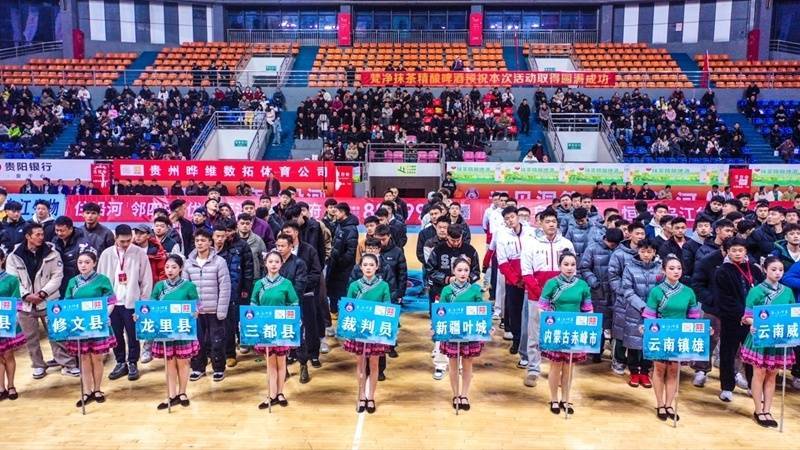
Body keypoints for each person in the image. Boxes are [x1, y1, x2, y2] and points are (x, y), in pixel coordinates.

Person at [7, 222, 76, 379]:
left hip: (49, 300)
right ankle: (38, 365)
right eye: (37, 235)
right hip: (25, 304)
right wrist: (26, 295)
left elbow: (57, 276)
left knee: (58, 333)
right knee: (30, 338)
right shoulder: (14, 256)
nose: (41, 237)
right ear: (28, 236)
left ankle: (67, 364)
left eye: (42, 234)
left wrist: (43, 293)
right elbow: (13, 280)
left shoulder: (52, 252)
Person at [642, 255, 702, 421]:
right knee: (659, 369)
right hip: (661, 335)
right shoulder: (656, 291)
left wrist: (703, 330)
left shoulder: (688, 292)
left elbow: (694, 318)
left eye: (679, 268)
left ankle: (669, 404)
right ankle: (660, 404)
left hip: (679, 336)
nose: (676, 271)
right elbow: (650, 316)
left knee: (674, 370)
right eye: (671, 268)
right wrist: (646, 328)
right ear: (664, 270)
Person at [520, 209, 575, 387]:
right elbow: (526, 272)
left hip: (562, 298)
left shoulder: (566, 244)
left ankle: (557, 370)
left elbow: (572, 270)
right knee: (535, 333)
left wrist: (563, 293)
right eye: (547, 221)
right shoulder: (530, 244)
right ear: (540, 223)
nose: (551, 224)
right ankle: (533, 369)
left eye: (553, 221)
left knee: (558, 333)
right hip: (536, 296)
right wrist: (542, 294)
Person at [740, 256, 795, 427]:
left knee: (772, 375)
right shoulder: (756, 291)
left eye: (781, 270)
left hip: (778, 338)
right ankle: (758, 410)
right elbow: (747, 316)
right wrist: (753, 323)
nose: (777, 273)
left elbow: (793, 314)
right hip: (761, 337)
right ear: (765, 270)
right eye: (773, 269)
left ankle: (767, 409)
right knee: (759, 374)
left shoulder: (787, 291)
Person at [539, 250, 593, 415]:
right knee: (555, 366)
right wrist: (550, 323)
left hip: (574, 331)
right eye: (566, 264)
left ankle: (566, 399)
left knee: (569, 367)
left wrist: (588, 326)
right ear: (560, 266)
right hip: (556, 330)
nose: (569, 268)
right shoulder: (551, 283)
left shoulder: (582, 285)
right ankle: (554, 399)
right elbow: (542, 307)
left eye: (573, 265)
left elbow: (587, 309)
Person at [98, 225, 153, 382]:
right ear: (115, 238)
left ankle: (133, 362)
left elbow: (146, 280)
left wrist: (143, 304)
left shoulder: (139, 253)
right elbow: (100, 279)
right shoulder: (106, 254)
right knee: (116, 334)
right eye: (122, 241)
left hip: (132, 302)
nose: (126, 244)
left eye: (129, 240)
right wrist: (103, 304)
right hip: (113, 303)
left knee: (133, 335)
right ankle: (120, 362)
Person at [64, 251, 117, 407]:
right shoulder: (73, 281)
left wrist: (105, 315)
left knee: (97, 358)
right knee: (84, 358)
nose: (83, 265)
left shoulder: (103, 280)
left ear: (94, 263)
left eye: (87, 262)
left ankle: (97, 389)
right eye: (80, 262)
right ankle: (87, 391)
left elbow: (111, 301)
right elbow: (67, 304)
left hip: (96, 323)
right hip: (79, 325)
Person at [148, 255, 200, 409]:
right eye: (167, 267)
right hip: (165, 329)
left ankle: (182, 392)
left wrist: (195, 312)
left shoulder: (189, 286)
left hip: (183, 329)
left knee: (183, 362)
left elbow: (197, 305)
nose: (170, 270)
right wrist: (141, 315)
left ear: (181, 268)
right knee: (169, 362)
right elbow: (151, 306)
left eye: (174, 267)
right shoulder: (159, 286)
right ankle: (171, 394)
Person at [714, 237, 763, 402]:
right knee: (728, 353)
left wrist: (753, 316)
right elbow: (724, 298)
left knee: (752, 355)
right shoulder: (722, 271)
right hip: (732, 320)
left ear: (745, 251)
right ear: (727, 252)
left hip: (753, 321)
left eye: (740, 250)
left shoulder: (754, 270)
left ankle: (752, 386)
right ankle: (727, 387)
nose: (737, 253)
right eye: (733, 250)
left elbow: (762, 293)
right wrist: (742, 314)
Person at [251, 251, 300, 409]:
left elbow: (294, 304)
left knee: (281, 362)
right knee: (270, 363)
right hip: (265, 328)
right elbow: (253, 305)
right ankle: (271, 395)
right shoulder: (259, 284)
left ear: (281, 264)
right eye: (270, 261)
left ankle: (280, 393)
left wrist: (292, 321)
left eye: (276, 262)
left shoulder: (287, 284)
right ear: (265, 263)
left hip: (281, 327)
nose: (273, 264)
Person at [344, 254, 392, 414]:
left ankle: (371, 396)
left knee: (374, 364)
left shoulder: (383, 286)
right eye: (365, 265)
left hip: (376, 331)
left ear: (377, 267)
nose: (368, 268)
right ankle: (361, 395)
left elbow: (387, 308)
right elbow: (348, 309)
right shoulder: (354, 286)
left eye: (371, 265)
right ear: (360, 267)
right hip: (359, 330)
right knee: (360, 364)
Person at [184, 229, 231, 382]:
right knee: (197, 341)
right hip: (196, 312)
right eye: (197, 240)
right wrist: (189, 310)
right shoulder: (188, 263)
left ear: (210, 242)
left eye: (203, 240)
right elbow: (185, 288)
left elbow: (225, 287)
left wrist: (221, 310)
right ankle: (198, 368)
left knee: (217, 341)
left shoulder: (219, 262)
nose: (200, 243)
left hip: (214, 310)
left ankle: (218, 368)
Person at [438, 257, 484, 411]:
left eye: (466, 270)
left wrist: (486, 325)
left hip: (469, 333)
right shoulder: (447, 290)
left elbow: (481, 311)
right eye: (459, 270)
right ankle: (455, 394)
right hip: (452, 332)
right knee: (453, 364)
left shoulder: (475, 290)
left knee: (467, 364)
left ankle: (464, 394)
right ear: (453, 271)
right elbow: (441, 312)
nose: (463, 273)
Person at [211, 220, 254, 369]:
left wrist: (245, 288)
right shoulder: (211, 248)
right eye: (223, 232)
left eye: (229, 231)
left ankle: (231, 353)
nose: (227, 235)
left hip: (233, 289)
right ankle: (213, 353)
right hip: (212, 291)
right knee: (214, 325)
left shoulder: (241, 246)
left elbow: (247, 269)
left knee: (231, 322)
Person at [621, 238, 661, 388]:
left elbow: (662, 289)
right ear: (638, 251)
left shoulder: (660, 268)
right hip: (635, 310)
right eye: (643, 251)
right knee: (633, 342)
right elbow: (627, 291)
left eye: (649, 251)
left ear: (654, 252)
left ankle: (645, 372)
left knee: (650, 342)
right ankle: (633, 371)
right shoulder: (629, 267)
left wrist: (653, 307)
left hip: (655, 311)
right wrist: (642, 306)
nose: (646, 254)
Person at [608, 222, 647, 376]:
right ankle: (618, 359)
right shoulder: (619, 253)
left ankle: (637, 364)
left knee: (638, 332)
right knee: (620, 331)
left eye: (642, 234)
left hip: (642, 301)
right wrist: (623, 292)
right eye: (637, 233)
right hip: (624, 299)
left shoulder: (648, 252)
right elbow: (613, 275)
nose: (640, 236)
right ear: (629, 234)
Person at [579, 228, 623, 363]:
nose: (613, 246)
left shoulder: (620, 250)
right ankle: (595, 352)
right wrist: (594, 283)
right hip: (598, 292)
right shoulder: (592, 248)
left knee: (615, 324)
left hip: (616, 292)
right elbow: (584, 268)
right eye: (612, 244)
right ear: (606, 239)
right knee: (598, 324)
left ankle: (616, 356)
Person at [0, 248, 23, 400]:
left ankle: (11, 385)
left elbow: (17, 302)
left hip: (6, 322)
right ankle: (1, 387)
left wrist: (12, 319)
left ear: (2, 260)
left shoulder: (11, 279)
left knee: (8, 355)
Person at [327, 203, 359, 316]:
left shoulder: (351, 229)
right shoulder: (340, 225)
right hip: (335, 264)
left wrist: (340, 262)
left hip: (344, 267)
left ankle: (347, 314)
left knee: (343, 291)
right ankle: (333, 311)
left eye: (336, 211)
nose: (334, 213)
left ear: (343, 212)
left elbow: (351, 251)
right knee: (332, 289)